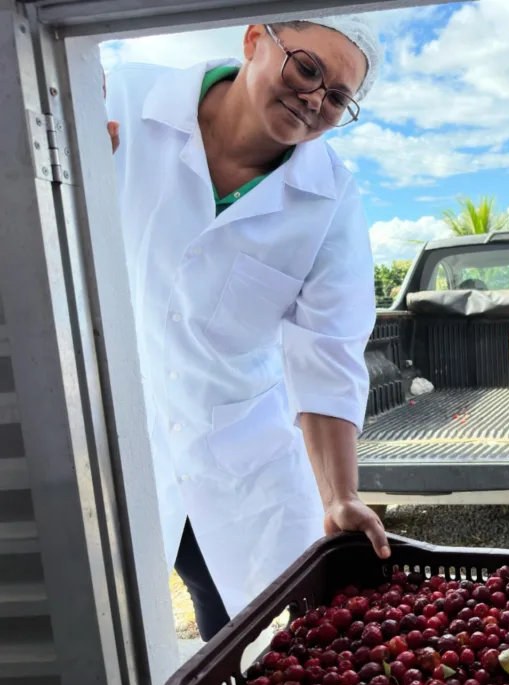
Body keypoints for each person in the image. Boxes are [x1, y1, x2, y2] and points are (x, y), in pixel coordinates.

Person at [103, 16, 390, 641]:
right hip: (113, 437)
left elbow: (329, 352)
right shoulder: (122, 100)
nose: (315, 98)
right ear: (255, 40)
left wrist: (340, 494)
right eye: (307, 67)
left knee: (248, 629)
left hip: (236, 452)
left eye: (339, 98)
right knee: (106, 620)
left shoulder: (331, 198)